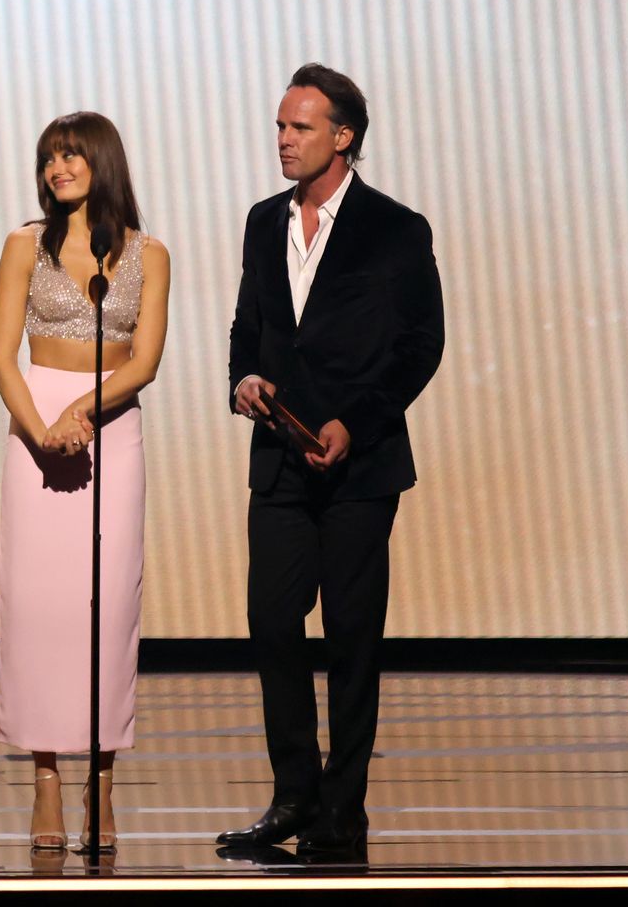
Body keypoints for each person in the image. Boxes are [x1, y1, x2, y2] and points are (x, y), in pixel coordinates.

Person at [217, 64, 444, 858]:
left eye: (300, 127)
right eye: (280, 125)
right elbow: (248, 324)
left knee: (352, 637)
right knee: (274, 625)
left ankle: (343, 811)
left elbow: (422, 344)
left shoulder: (396, 228)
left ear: (343, 136)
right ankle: (293, 798)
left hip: (359, 464)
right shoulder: (260, 220)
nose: (283, 139)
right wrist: (243, 377)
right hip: (278, 458)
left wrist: (357, 420)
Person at [0, 112, 170, 851]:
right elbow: (2, 356)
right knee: (35, 606)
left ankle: (101, 780)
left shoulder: (148, 252)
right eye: (49, 158)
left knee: (107, 603)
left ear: (101, 160)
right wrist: (43, 431)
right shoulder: (22, 245)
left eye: (70, 155)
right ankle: (45, 781)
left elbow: (146, 360)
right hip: (37, 432)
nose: (58, 167)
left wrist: (83, 411)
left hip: (109, 426)